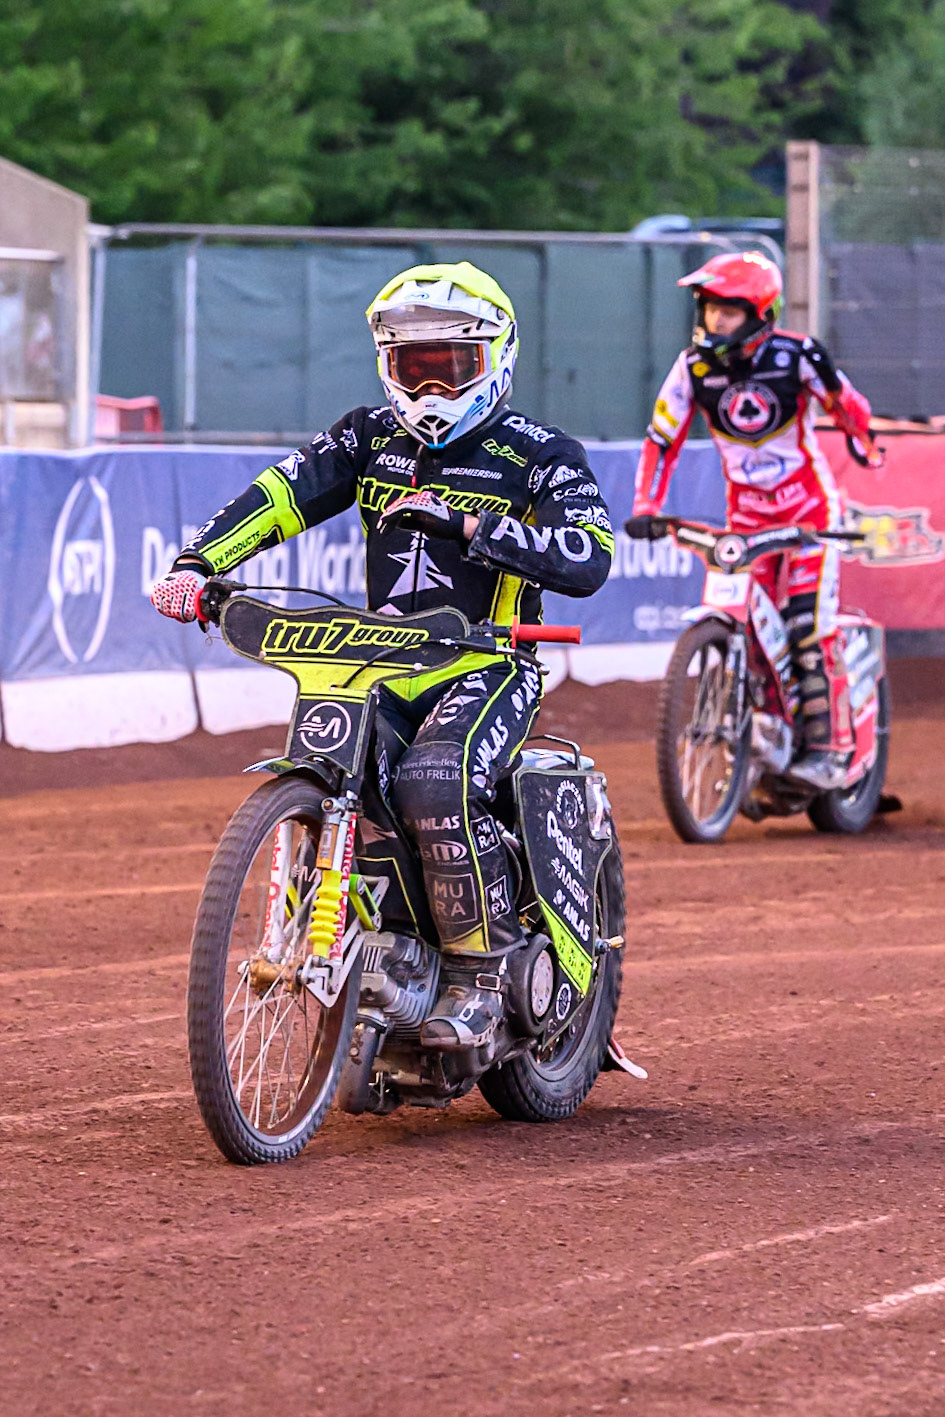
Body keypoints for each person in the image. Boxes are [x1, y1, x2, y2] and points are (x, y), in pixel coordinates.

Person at [150, 260, 614, 1050]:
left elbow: (589, 555)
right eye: (413, 366)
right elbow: (281, 494)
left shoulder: (539, 453)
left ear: (494, 358)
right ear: (387, 365)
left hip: (493, 663)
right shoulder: (366, 435)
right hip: (381, 661)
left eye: (449, 367)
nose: (430, 389)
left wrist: (473, 528)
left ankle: (479, 974)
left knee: (434, 779)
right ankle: (387, 951)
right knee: (337, 765)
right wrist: (197, 564)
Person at [630, 249, 882, 790]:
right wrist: (646, 508)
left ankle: (829, 750)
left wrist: (864, 441)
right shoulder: (691, 367)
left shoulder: (798, 356)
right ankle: (764, 737)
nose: (714, 319)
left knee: (804, 626)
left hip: (810, 514)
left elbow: (846, 404)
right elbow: (660, 441)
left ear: (760, 313)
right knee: (748, 624)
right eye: (709, 308)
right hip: (745, 522)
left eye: (729, 310)